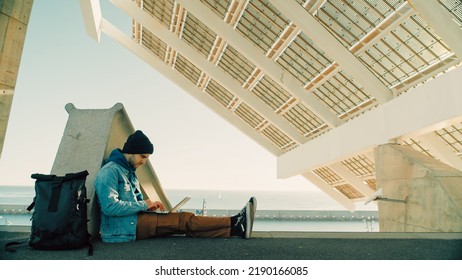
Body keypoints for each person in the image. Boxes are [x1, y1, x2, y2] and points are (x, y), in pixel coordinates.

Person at [94, 130, 256, 243]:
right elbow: (109, 207)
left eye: (146, 158)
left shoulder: (128, 170)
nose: (143, 161)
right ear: (130, 151)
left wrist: (148, 207)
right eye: (142, 156)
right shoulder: (110, 171)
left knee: (183, 224)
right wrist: (144, 204)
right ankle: (235, 221)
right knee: (183, 220)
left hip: (134, 222)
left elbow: (128, 203)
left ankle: (236, 230)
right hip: (122, 230)